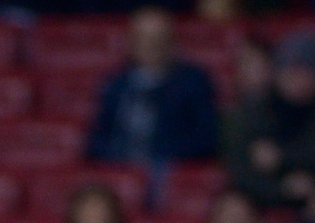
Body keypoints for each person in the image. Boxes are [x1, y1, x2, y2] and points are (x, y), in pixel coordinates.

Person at [86, 6, 219, 167]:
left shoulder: (193, 82)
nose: (151, 45)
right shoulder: (115, 85)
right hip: (121, 169)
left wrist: (155, 157)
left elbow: (205, 139)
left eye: (158, 38)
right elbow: (96, 141)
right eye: (144, 38)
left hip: (170, 170)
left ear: (172, 41)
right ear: (130, 41)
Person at [225, 33, 315, 208]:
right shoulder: (254, 110)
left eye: (306, 72)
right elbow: (241, 171)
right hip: (259, 204)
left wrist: (283, 157)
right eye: (291, 72)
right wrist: (283, 189)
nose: (298, 80)